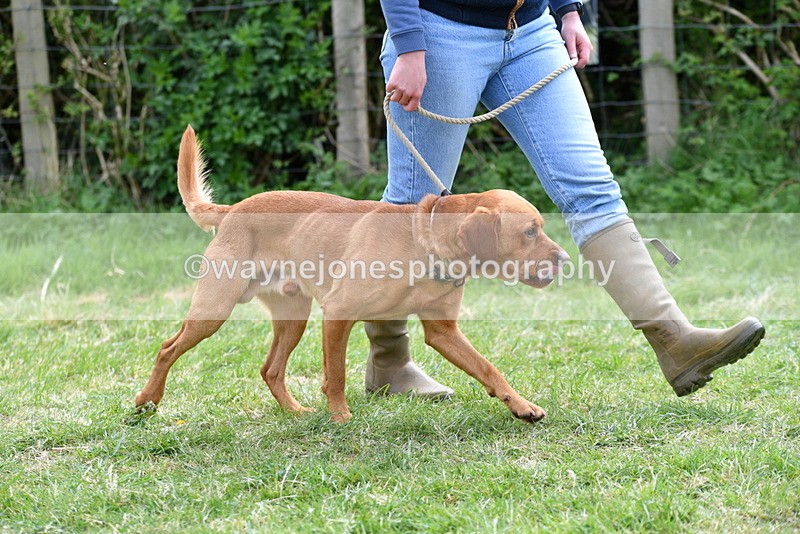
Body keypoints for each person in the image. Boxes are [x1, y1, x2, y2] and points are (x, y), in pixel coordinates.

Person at [364, 0, 765, 399]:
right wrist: (410, 44)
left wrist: (568, 10)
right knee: (411, 206)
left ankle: (675, 340)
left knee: (591, 187)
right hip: (441, 32)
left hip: (532, 33)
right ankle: (390, 363)